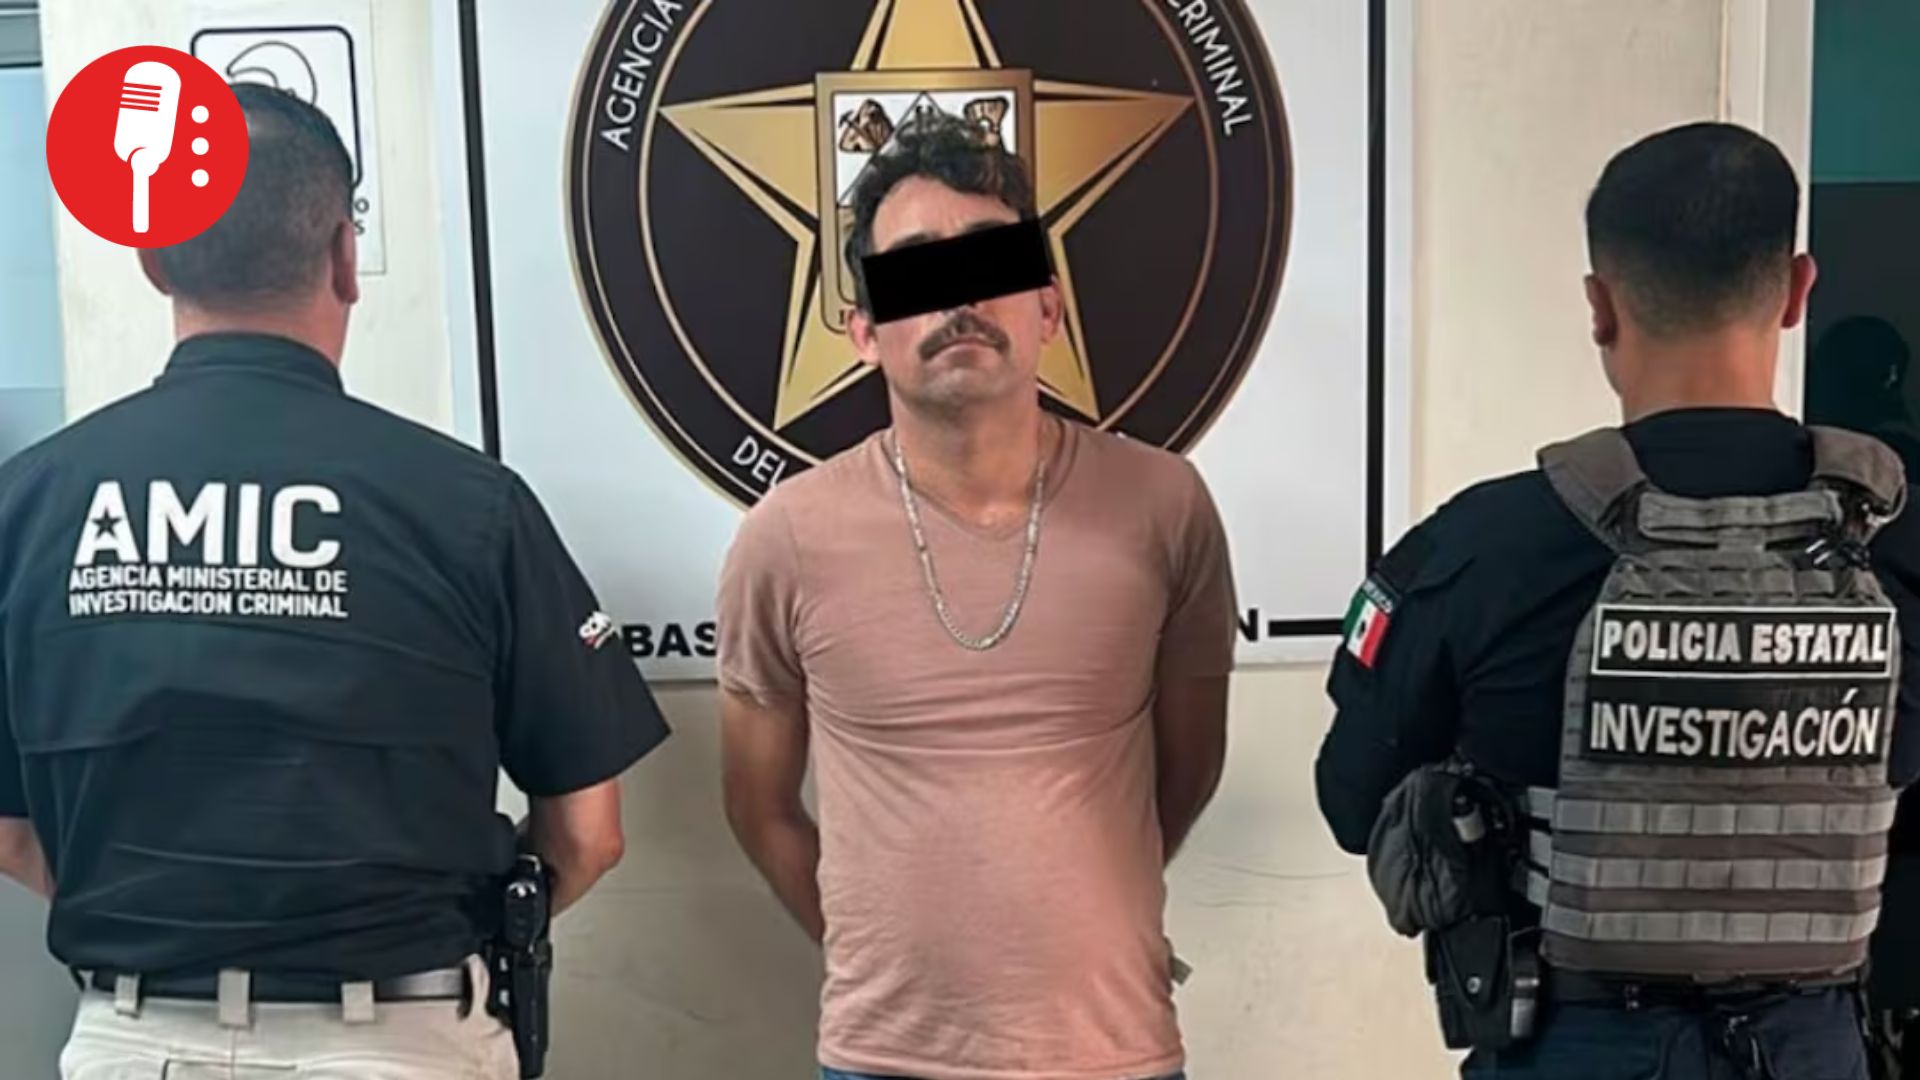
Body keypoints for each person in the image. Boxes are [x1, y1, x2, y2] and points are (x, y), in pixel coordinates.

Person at [0, 84, 669, 1079]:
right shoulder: (469, 505)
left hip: (132, 1041)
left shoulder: (28, 504)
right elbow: (589, 834)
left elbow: (12, 832)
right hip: (401, 1041)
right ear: (346, 257)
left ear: (152, 259)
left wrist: (173, 937)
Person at [1317, 121, 1920, 1079]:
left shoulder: (1481, 546)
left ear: (1599, 305)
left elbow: (1355, 802)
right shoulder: (1896, 543)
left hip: (1571, 1041)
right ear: (1798, 291)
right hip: (1813, 1044)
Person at [716, 113, 1236, 1080]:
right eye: (917, 272)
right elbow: (758, 805)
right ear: (865, 333)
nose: (959, 299)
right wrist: (881, 954)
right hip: (883, 1059)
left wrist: (1081, 905)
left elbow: (1188, 764)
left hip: (1114, 1053)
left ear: (1048, 307)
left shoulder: (1165, 509)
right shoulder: (783, 540)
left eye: (989, 261)